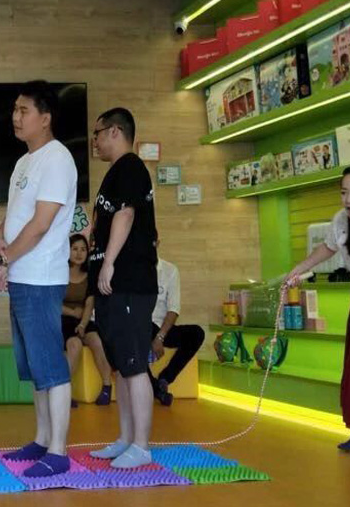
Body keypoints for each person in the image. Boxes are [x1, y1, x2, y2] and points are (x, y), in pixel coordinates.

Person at [0, 80, 77, 478]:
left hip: (41, 277)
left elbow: (40, 224)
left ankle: (58, 451)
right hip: (21, 275)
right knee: (34, 367)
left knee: (50, 365)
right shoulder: (24, 162)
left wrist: (5, 257)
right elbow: (15, 215)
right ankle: (42, 440)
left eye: (24, 110)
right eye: (15, 110)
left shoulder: (57, 159)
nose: (16, 117)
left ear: (46, 117)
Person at [88, 108, 159, 469]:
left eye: (98, 133)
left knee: (134, 365)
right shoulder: (115, 172)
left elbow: (126, 214)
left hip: (130, 281)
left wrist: (110, 262)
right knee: (123, 367)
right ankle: (127, 438)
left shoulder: (131, 166)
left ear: (115, 132)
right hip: (114, 286)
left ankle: (141, 446)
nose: (95, 141)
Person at [287, 164, 350, 452]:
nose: (349, 199)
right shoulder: (341, 221)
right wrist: (299, 269)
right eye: (344, 192)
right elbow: (327, 248)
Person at [147, 252, 205, 407]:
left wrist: (160, 337)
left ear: (157, 243)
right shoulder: (133, 269)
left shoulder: (170, 270)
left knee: (196, 333)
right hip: (141, 328)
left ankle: (165, 379)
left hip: (162, 328)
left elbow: (174, 309)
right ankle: (156, 390)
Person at [62, 234, 113, 407]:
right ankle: (64, 392)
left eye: (83, 249)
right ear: (67, 250)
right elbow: (52, 303)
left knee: (96, 340)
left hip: (84, 318)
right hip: (64, 319)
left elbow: (90, 302)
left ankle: (107, 387)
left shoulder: (90, 275)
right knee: (74, 344)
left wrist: (83, 324)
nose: (79, 253)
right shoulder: (59, 273)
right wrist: (72, 312)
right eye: (75, 249)